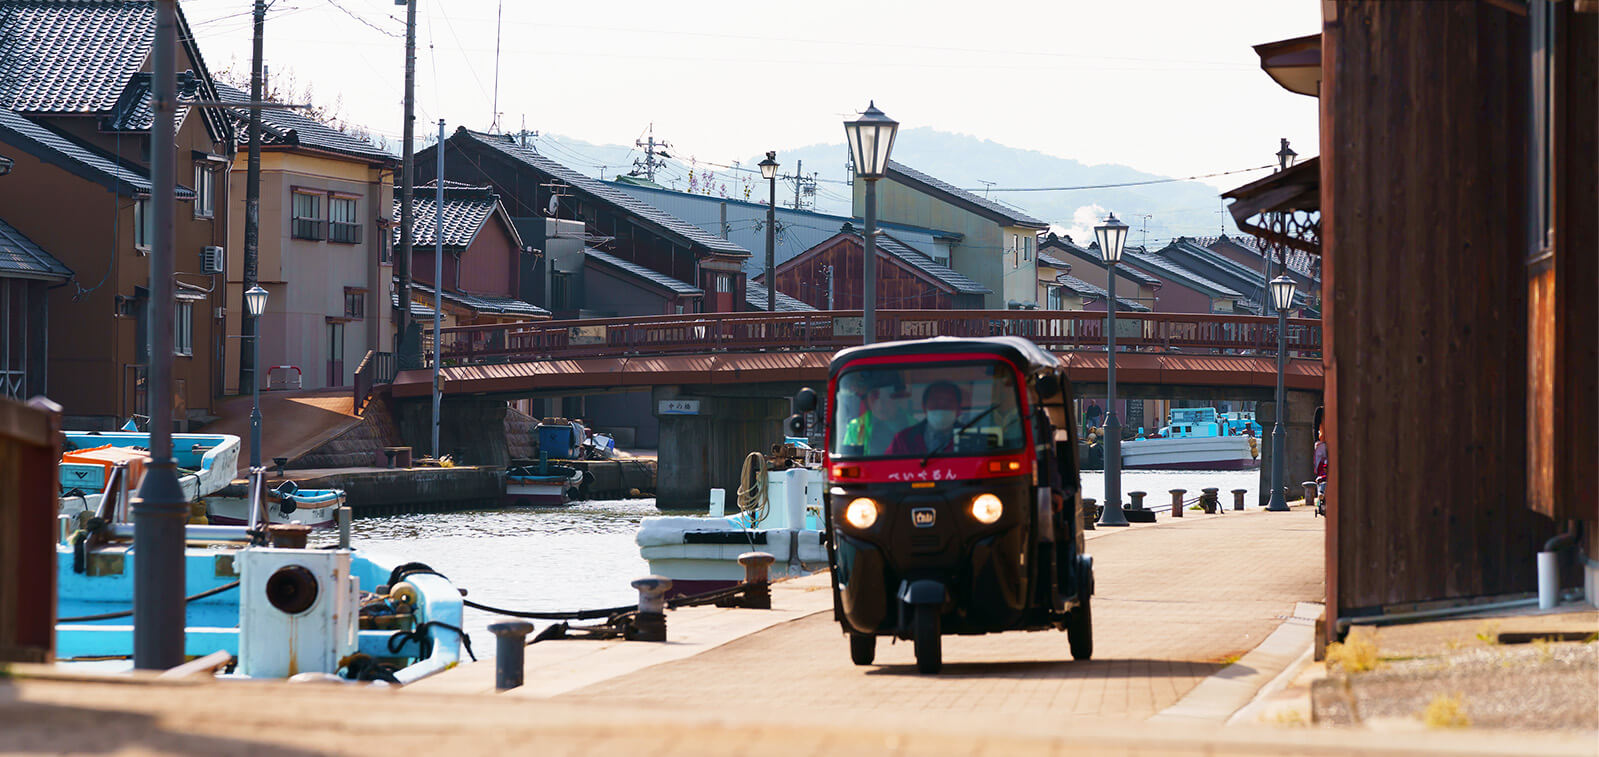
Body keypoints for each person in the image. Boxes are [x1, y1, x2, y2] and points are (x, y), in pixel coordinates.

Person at [887, 381, 963, 456]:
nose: (941, 407)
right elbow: (887, 466)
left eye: (948, 402)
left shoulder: (972, 438)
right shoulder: (903, 440)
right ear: (924, 407)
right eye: (935, 402)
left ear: (959, 410)